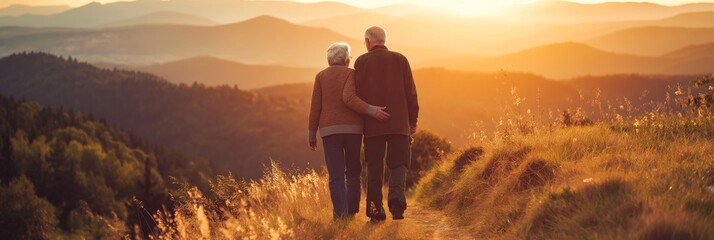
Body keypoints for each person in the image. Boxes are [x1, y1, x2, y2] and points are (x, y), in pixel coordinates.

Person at [308, 42, 390, 220]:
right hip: (353, 130)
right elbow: (352, 99)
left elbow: (315, 107)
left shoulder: (320, 76)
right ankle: (352, 210)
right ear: (346, 60)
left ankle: (340, 215)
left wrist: (311, 133)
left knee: (336, 174)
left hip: (329, 131)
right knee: (353, 170)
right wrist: (372, 110)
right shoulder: (352, 74)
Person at [351, 26, 419, 222]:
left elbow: (357, 95)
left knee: (374, 167)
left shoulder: (361, 62)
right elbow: (411, 93)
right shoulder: (401, 59)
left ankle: (375, 210)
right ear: (384, 40)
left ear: (367, 41)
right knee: (398, 165)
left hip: (373, 125)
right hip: (399, 124)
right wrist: (412, 121)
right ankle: (397, 206)